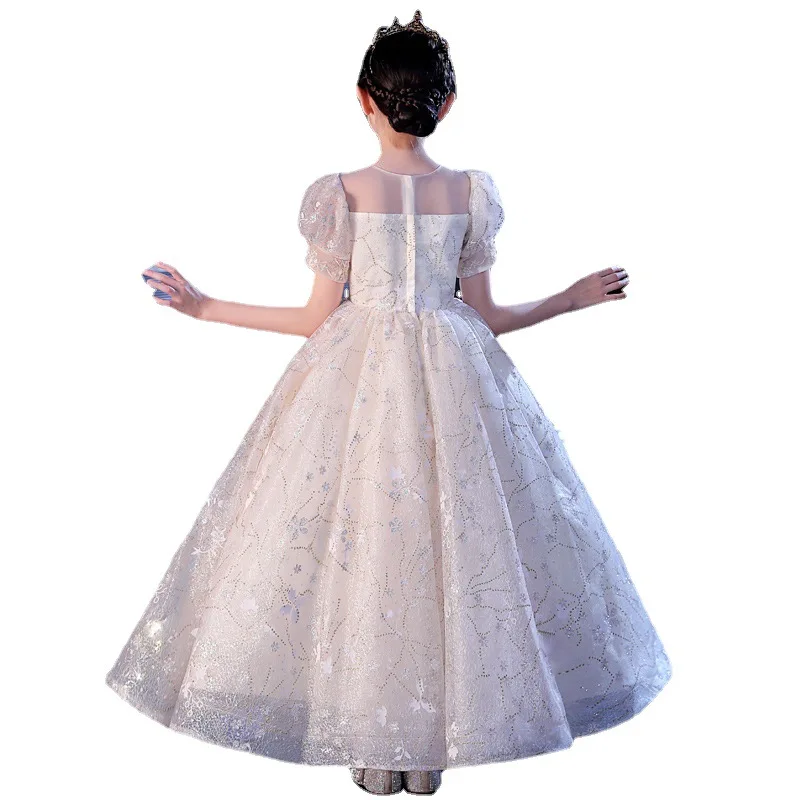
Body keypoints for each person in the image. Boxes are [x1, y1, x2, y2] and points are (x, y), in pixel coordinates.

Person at [106, 9, 671, 797]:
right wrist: (569, 299)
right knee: (455, 546)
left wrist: (205, 308)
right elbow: (486, 315)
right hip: (458, 381)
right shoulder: (469, 192)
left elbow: (315, 318)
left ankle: (381, 730)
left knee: (365, 546)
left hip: (355, 380)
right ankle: (426, 734)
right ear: (448, 102)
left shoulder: (340, 194)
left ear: (363, 99)